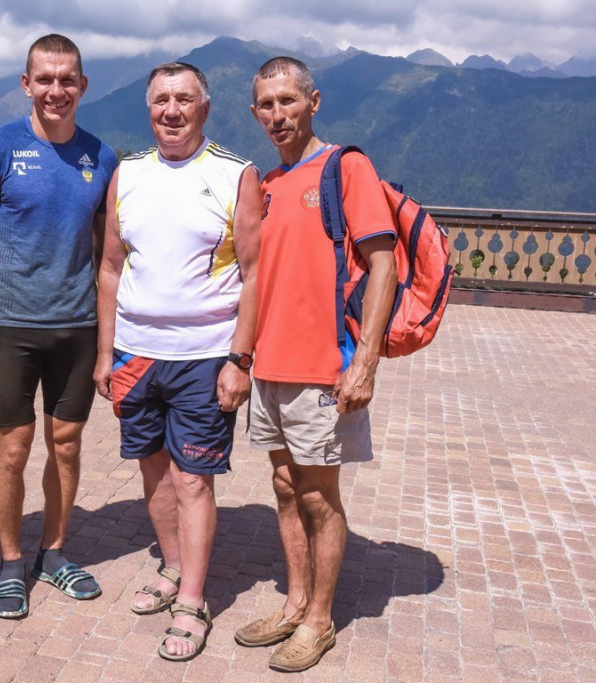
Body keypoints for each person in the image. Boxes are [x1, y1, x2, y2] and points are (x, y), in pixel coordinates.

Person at [234, 56, 398, 673]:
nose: (278, 115)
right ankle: (294, 604)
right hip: (270, 368)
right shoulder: (268, 185)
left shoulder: (344, 167)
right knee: (283, 488)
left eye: (288, 101)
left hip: (325, 367)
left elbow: (383, 263)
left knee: (319, 497)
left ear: (313, 101)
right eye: (266, 106)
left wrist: (368, 363)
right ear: (255, 113)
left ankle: (321, 621)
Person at [94, 62, 261, 662]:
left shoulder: (236, 174)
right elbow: (110, 268)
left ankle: (193, 597)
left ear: (204, 108)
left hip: (203, 355)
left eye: (184, 100)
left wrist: (240, 359)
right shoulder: (127, 174)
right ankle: (170, 566)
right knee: (153, 471)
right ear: (148, 109)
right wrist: (102, 354)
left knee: (194, 478)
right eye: (161, 100)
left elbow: (254, 273)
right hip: (135, 354)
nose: (172, 111)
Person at [0, 34, 117, 619]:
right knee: (14, 448)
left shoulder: (103, 157)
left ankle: (53, 553)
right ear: (26, 84)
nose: (56, 90)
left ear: (83, 86)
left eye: (67, 79)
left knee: (66, 445)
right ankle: (8, 561)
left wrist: (108, 341)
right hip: (11, 326)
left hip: (76, 328)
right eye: (44, 79)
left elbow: (111, 256)